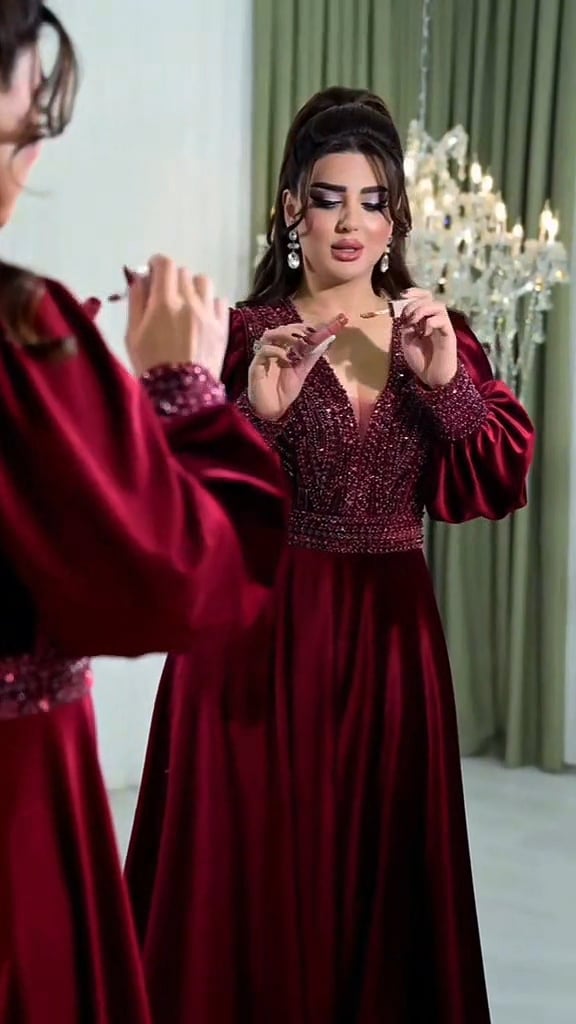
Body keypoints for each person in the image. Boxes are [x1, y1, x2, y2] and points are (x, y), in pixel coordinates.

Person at [126, 87, 535, 1023]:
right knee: (258, 878)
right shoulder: (239, 335)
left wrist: (447, 386)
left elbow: (496, 479)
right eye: (328, 197)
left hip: (392, 644)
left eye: (373, 200)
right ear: (291, 209)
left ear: (396, 219)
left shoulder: (439, 334)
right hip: (257, 641)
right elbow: (181, 509)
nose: (350, 222)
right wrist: (253, 416)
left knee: (383, 876)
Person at [0, 3, 287, 1022]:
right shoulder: (19, 329)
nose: (31, 159)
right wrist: (185, 393)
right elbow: (180, 583)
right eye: (24, 128)